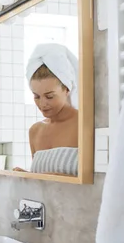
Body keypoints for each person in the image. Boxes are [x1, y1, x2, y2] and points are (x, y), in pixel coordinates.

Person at [13, 43, 79, 176]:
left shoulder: (84, 125)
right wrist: (27, 175)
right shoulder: (35, 131)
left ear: (67, 89)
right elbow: (44, 181)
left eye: (49, 96)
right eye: (36, 96)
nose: (42, 104)